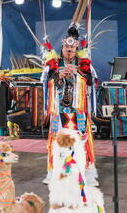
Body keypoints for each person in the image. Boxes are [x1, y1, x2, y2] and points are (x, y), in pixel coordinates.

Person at [42, 26, 98, 186]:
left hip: (78, 108)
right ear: (62, 47)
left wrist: (78, 73)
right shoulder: (54, 63)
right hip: (59, 108)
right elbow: (45, 81)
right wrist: (57, 75)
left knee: (81, 139)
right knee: (57, 139)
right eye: (67, 47)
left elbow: (91, 80)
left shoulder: (83, 63)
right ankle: (54, 172)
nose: (69, 50)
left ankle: (86, 173)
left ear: (76, 48)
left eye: (72, 48)